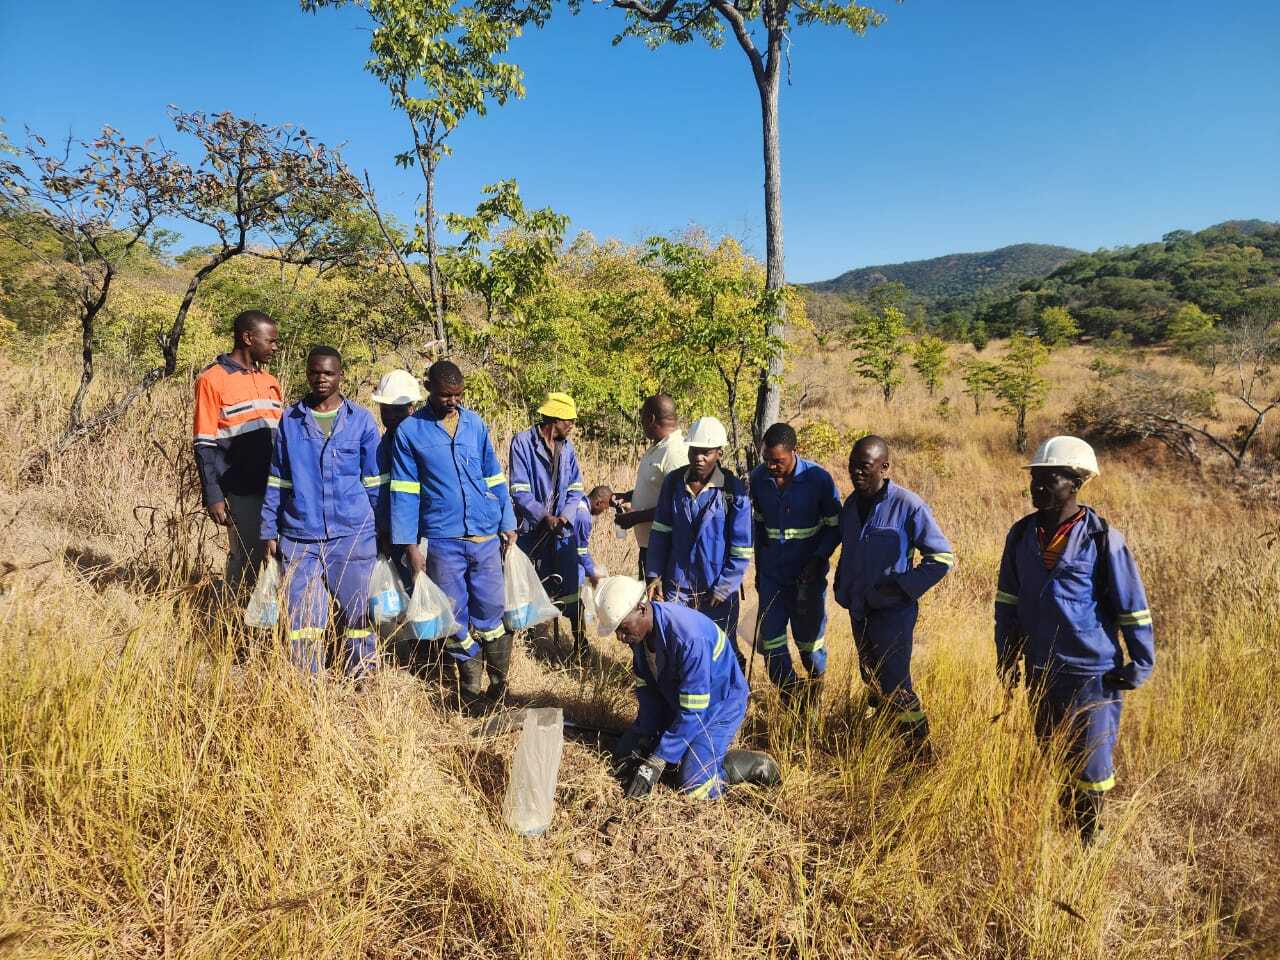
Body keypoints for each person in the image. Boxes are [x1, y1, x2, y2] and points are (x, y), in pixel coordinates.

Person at [995, 436, 1155, 843]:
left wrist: (1140, 663)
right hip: (1039, 666)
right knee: (1050, 748)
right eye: (1035, 478)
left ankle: (1090, 835)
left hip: (1090, 672)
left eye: (1050, 479)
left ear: (1076, 483)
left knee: (1092, 759)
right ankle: (1067, 819)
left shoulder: (1102, 538)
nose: (1038, 487)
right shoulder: (1020, 535)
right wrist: (1006, 655)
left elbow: (1132, 607)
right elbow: (1007, 601)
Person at [389, 360, 517, 706]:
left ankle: (500, 683)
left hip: (484, 535)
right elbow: (404, 492)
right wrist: (411, 546)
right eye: (446, 395)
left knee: (492, 611)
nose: (453, 401)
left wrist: (507, 521)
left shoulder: (475, 425)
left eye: (459, 395)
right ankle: (470, 686)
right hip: (443, 539)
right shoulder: (410, 433)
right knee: (452, 614)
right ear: (428, 388)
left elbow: (494, 477)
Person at [260, 346, 382, 677]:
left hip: (352, 535)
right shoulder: (290, 420)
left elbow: (374, 482)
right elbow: (279, 479)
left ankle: (363, 680)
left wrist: (381, 530)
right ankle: (307, 687)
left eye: (328, 373)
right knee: (302, 620)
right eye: (314, 372)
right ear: (307, 374)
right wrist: (268, 529)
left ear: (341, 375)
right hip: (301, 536)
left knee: (358, 616)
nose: (321, 379)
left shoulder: (361, 422)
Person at [834, 435, 954, 749]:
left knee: (897, 683)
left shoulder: (908, 506)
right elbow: (849, 549)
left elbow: (941, 558)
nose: (856, 473)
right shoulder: (850, 505)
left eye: (864, 467)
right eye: (852, 466)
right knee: (871, 677)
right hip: (859, 609)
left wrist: (902, 587)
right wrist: (841, 584)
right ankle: (885, 740)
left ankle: (918, 748)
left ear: (884, 467)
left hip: (893, 613)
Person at [597, 576, 749, 800]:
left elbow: (694, 712)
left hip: (718, 706)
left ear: (641, 608)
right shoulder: (639, 635)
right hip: (679, 699)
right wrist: (644, 737)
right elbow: (648, 692)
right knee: (623, 756)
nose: (620, 637)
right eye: (616, 631)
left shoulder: (689, 638)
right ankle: (687, 751)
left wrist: (658, 760)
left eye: (622, 628)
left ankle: (738, 764)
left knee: (694, 786)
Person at [645, 416, 752, 667]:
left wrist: (725, 586)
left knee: (721, 649)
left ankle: (731, 697)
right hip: (677, 586)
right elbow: (660, 531)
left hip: (716, 591)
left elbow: (741, 549)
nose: (699, 458)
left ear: (719, 453)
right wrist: (654, 574)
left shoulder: (732, 491)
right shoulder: (673, 483)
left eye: (706, 452)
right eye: (694, 450)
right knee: (674, 645)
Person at [749, 422, 842, 708]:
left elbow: (835, 527)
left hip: (808, 580)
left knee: (809, 646)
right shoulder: (758, 478)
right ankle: (794, 699)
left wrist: (817, 560)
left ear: (794, 452)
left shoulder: (819, 480)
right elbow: (758, 527)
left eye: (778, 461)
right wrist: (760, 571)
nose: (771, 467)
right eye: (767, 460)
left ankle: (816, 689)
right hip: (772, 579)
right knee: (772, 645)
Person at [193, 309, 282, 600]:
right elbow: (204, 442)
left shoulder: (270, 381)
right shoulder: (212, 379)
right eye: (270, 341)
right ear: (247, 338)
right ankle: (234, 627)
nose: (274, 347)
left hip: (275, 488)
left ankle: (269, 627)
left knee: (276, 557)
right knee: (245, 559)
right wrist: (213, 494)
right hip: (241, 489)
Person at [508, 392, 587, 638]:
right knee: (531, 585)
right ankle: (531, 640)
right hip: (532, 530)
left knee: (570, 585)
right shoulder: (522, 443)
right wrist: (543, 516)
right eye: (568, 421)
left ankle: (579, 641)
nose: (572, 426)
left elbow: (576, 488)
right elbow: (519, 490)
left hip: (561, 531)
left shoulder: (568, 449)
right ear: (553, 420)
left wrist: (565, 516)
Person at [613, 394, 689, 578]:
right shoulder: (659, 447)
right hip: (650, 546)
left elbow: (678, 505)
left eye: (642, 418)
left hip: (665, 548)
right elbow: (660, 489)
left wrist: (636, 518)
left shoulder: (674, 452)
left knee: (658, 602)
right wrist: (630, 495)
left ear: (651, 419)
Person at [568, 485, 612, 653]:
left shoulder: (578, 503)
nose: (603, 511)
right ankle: (581, 645)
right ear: (598, 502)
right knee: (576, 604)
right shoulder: (584, 517)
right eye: (605, 507)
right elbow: (580, 551)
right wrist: (592, 572)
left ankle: (581, 643)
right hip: (570, 563)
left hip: (570, 559)